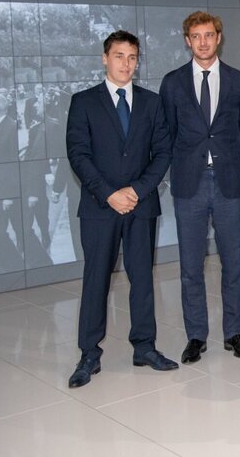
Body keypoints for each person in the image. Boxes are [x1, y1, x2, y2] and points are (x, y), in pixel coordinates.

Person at [65, 30, 175, 388]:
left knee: (142, 279)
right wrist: (110, 194)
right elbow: (78, 155)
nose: (125, 64)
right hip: (100, 207)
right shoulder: (83, 102)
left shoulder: (152, 102)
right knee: (96, 280)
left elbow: (162, 154)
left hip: (141, 207)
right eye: (118, 56)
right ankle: (88, 355)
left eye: (132, 57)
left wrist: (137, 191)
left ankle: (144, 347)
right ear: (104, 58)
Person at [159, 11, 240, 364]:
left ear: (219, 37)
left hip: (229, 183)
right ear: (187, 40)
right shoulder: (172, 83)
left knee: (234, 264)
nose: (203, 41)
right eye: (196, 36)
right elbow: (167, 133)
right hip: (190, 184)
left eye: (209, 35)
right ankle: (196, 336)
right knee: (190, 267)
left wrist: (224, 158)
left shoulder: (239, 81)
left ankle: (233, 333)